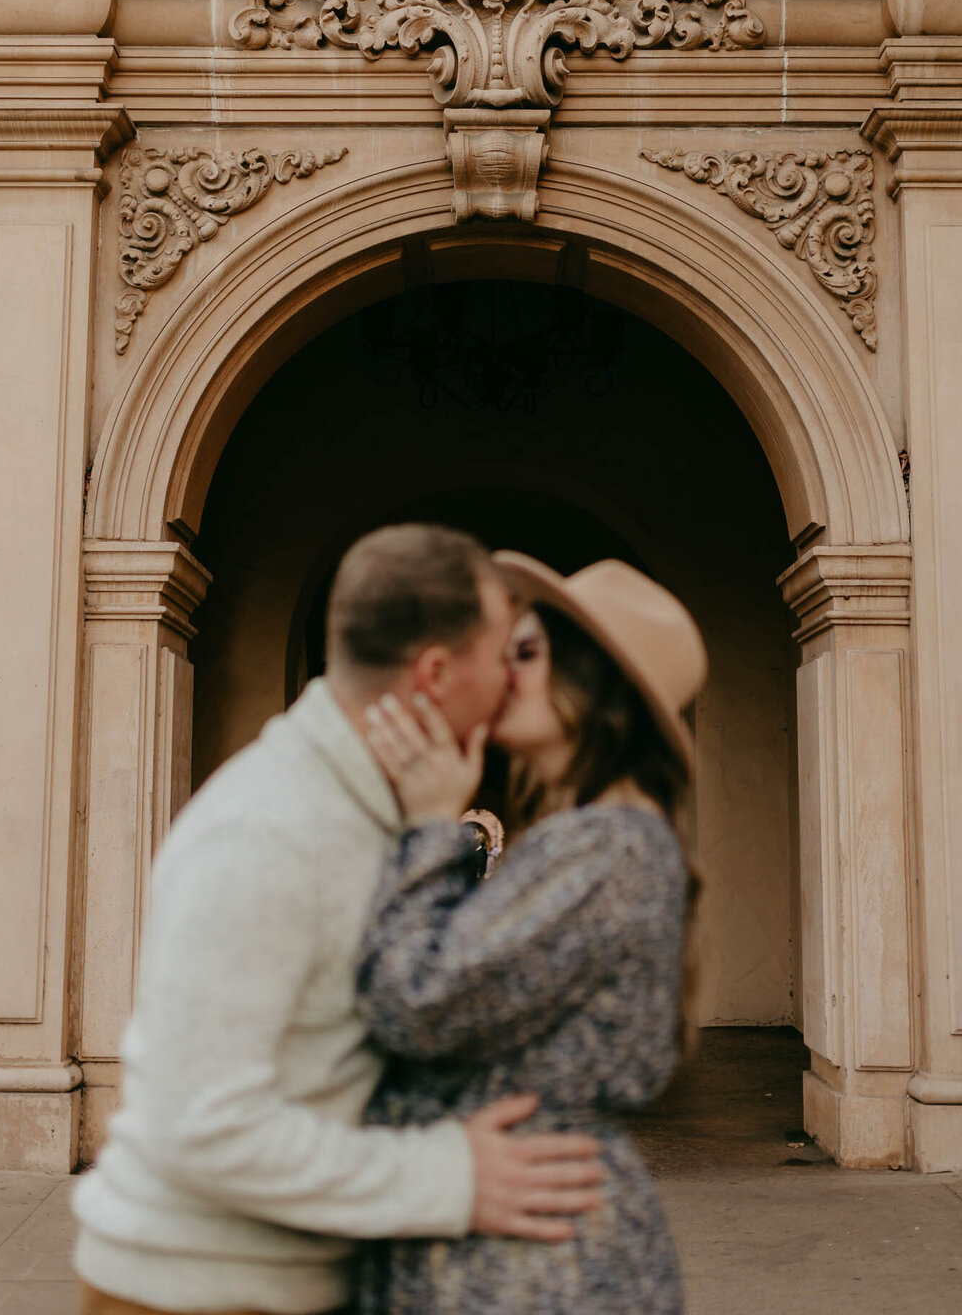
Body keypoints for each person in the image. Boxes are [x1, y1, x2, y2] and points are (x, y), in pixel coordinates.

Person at [73, 525, 604, 1315]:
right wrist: (450, 1177)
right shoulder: (267, 830)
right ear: (436, 672)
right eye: (505, 657)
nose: (513, 684)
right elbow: (205, 1125)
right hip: (197, 1293)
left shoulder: (375, 811)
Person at [355, 552, 708, 1315]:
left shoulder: (609, 847)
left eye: (527, 653)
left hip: (541, 1267)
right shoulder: (592, 840)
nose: (502, 674)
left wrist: (426, 827)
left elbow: (413, 999)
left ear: (595, 682)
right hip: (523, 1246)